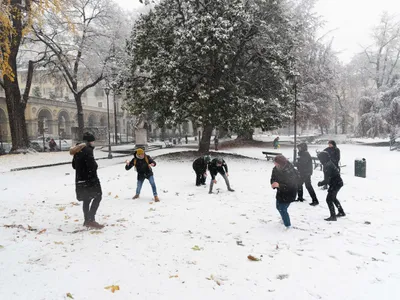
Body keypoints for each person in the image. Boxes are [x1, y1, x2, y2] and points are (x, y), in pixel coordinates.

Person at [70, 132, 104, 229]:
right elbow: (93, 166)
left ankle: (86, 220)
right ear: (89, 142)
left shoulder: (78, 151)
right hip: (90, 180)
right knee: (98, 196)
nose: (94, 143)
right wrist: (94, 166)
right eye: (93, 141)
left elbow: (74, 166)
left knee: (86, 199)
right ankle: (91, 219)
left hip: (80, 180)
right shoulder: (88, 150)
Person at [270, 155, 298, 228]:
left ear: (280, 163)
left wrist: (279, 185)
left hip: (289, 193)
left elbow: (291, 185)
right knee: (278, 206)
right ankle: (283, 217)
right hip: (280, 192)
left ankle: (288, 225)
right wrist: (273, 183)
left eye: (275, 162)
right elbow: (273, 178)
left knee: (282, 208)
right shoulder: (275, 169)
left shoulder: (290, 171)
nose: (274, 164)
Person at [317, 151, 346, 221]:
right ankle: (341, 212)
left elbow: (327, 180)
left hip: (335, 184)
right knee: (333, 198)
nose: (320, 161)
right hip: (337, 182)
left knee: (329, 199)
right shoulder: (329, 163)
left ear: (323, 159)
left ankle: (333, 216)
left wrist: (321, 183)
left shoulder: (327, 166)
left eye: (320, 159)